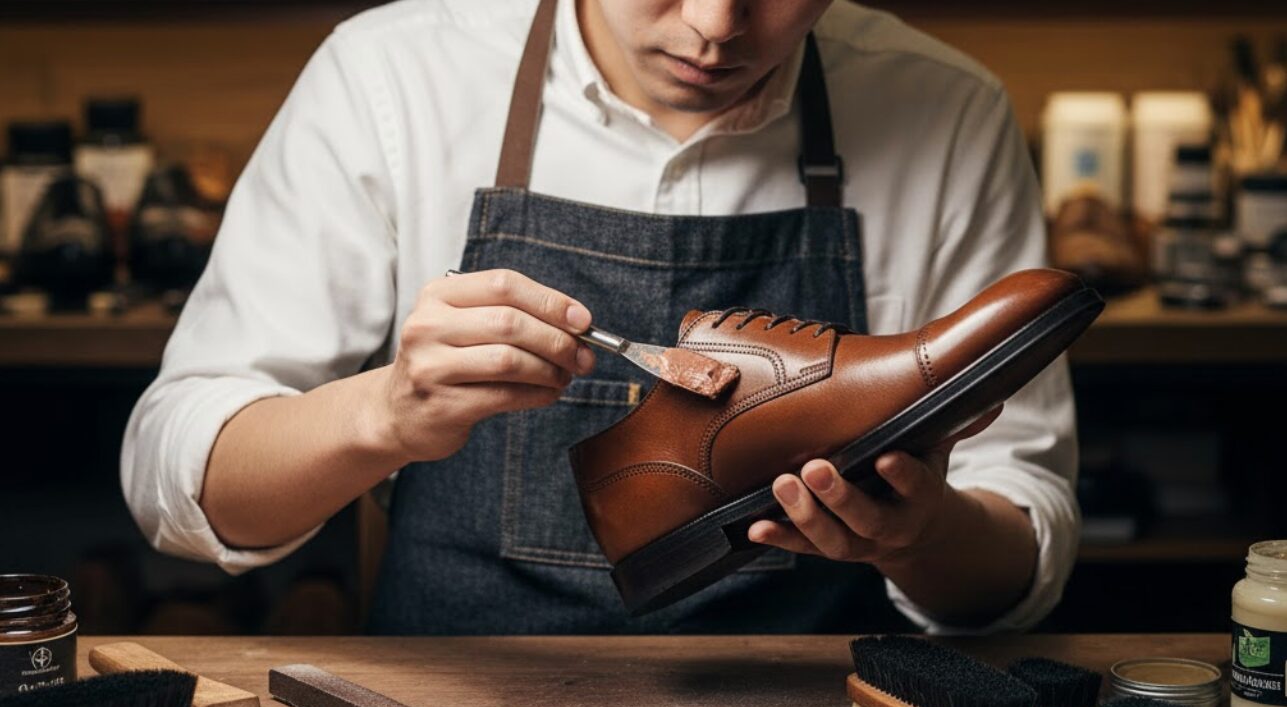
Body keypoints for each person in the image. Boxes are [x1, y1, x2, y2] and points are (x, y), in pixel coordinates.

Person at [122, 0, 1079, 635]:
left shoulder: (944, 109)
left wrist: (923, 536)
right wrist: (383, 414)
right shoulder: (392, 76)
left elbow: (1016, 564)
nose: (713, 26)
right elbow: (179, 483)